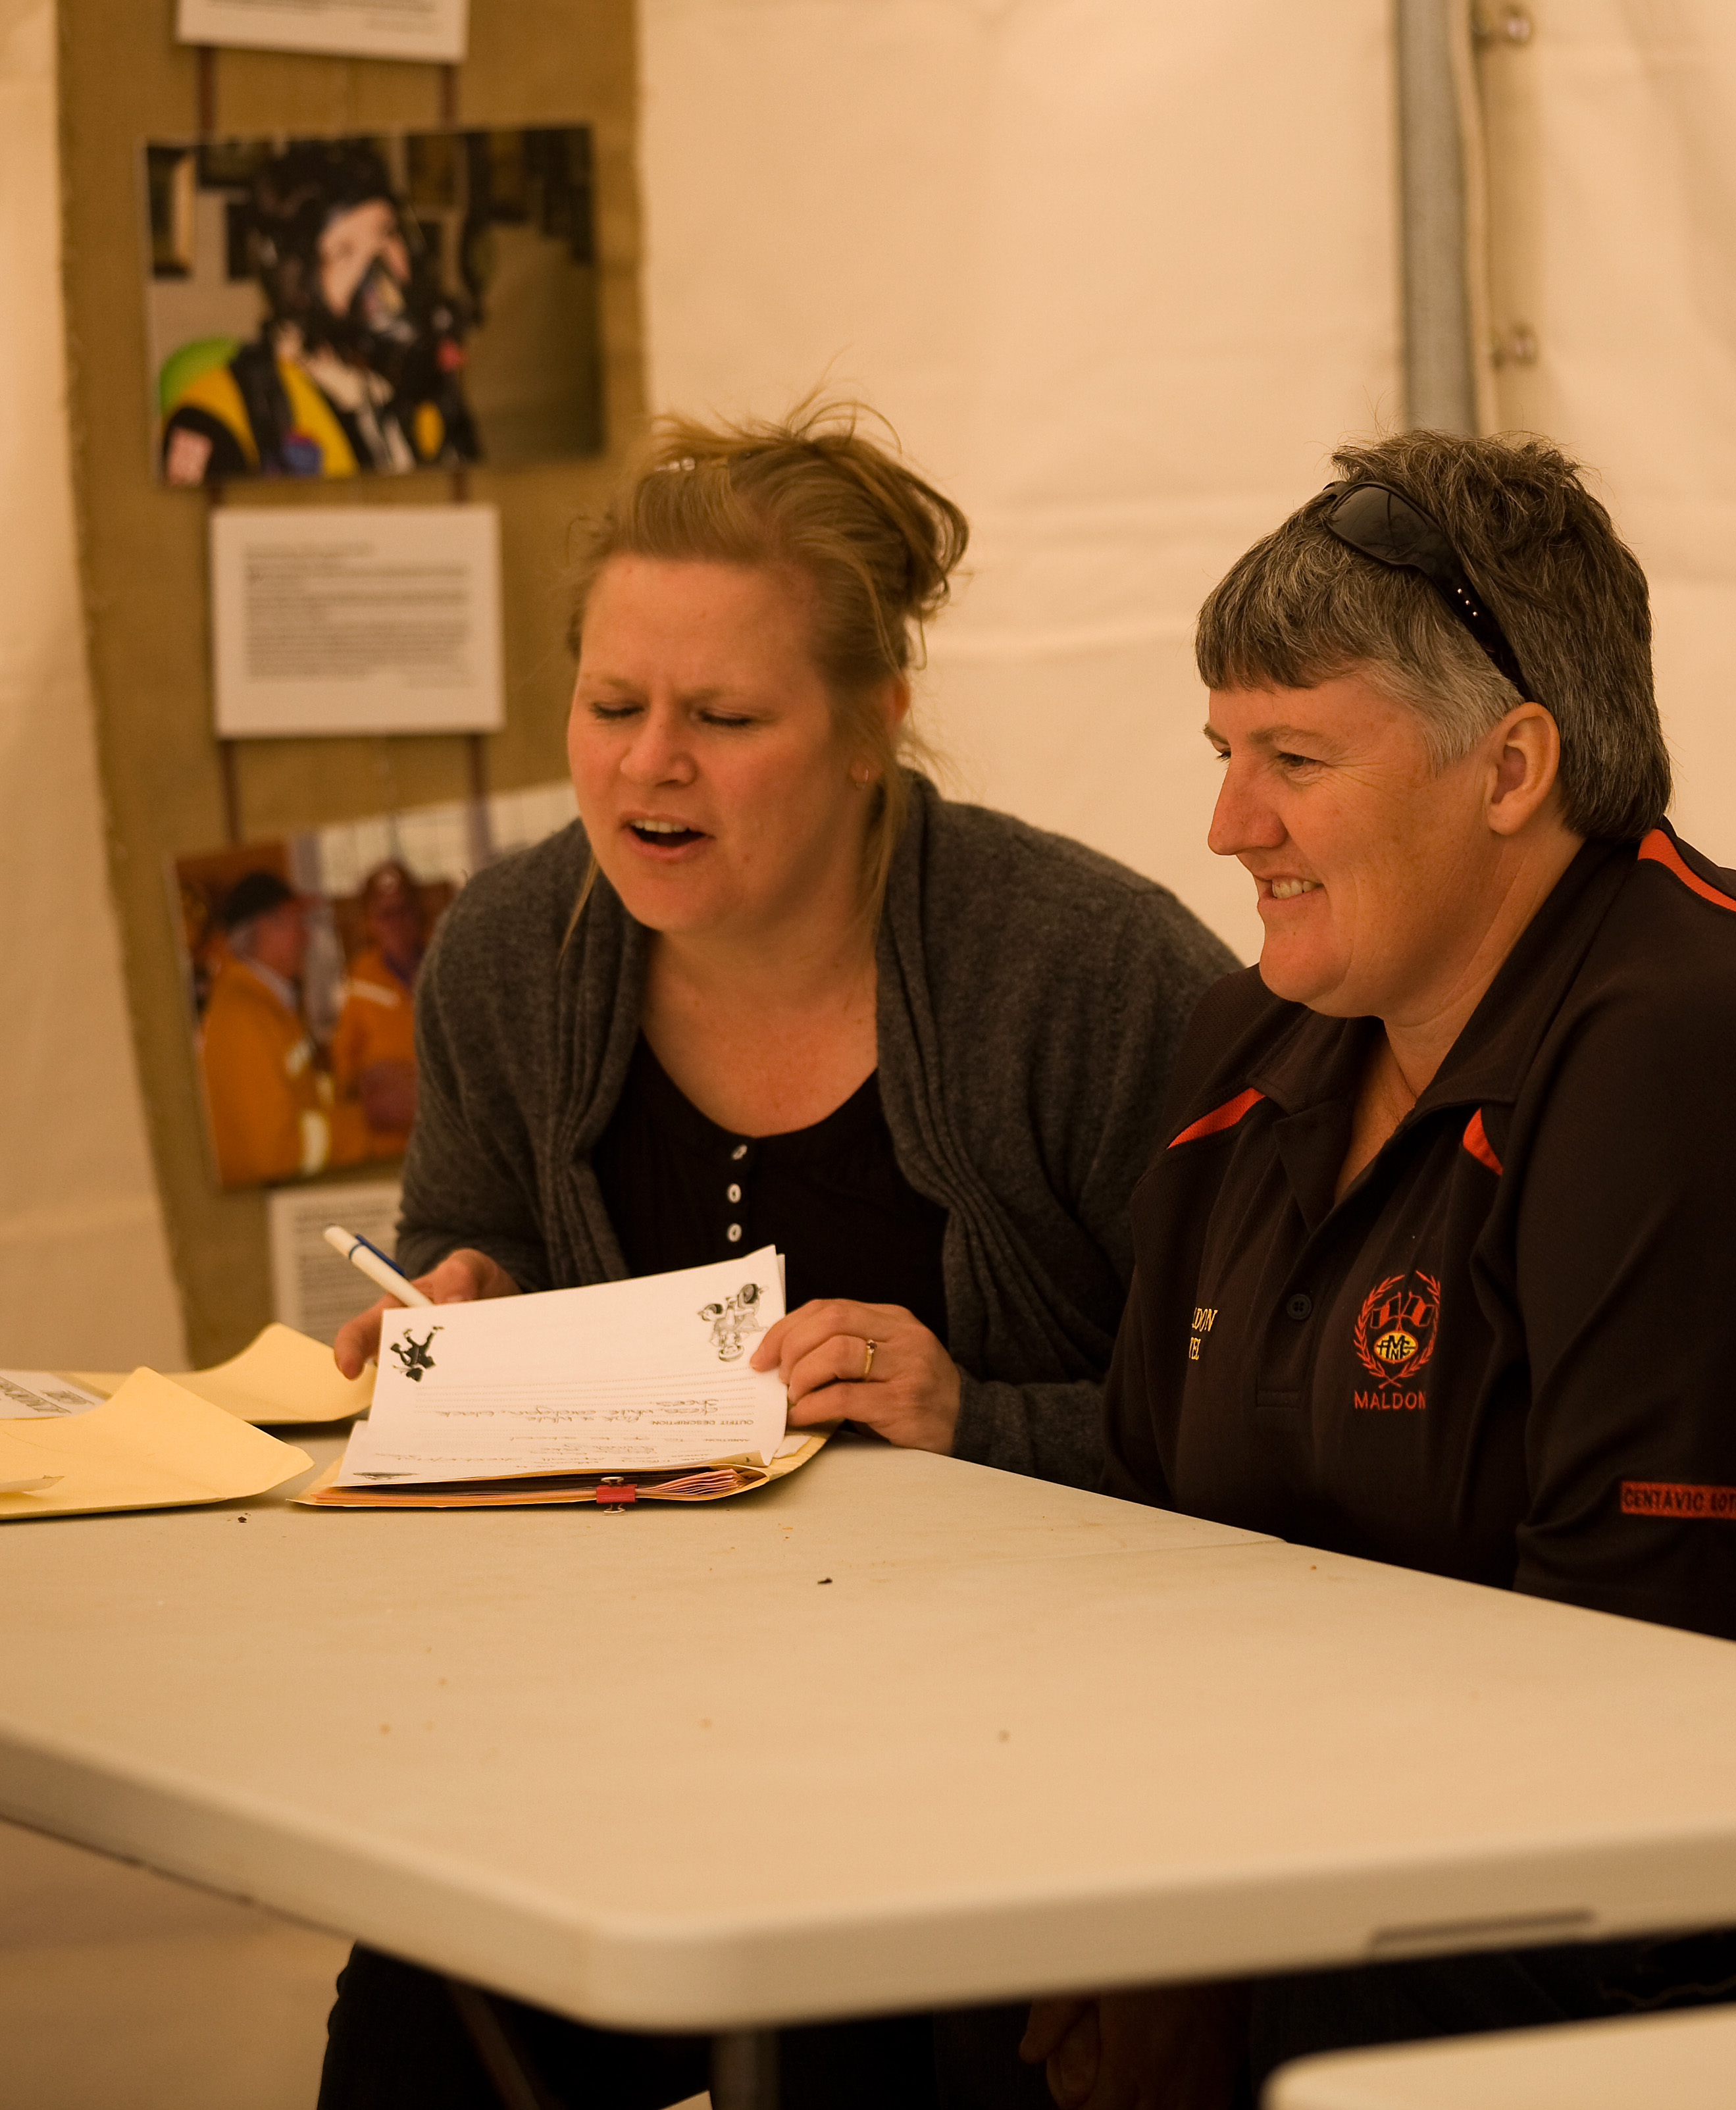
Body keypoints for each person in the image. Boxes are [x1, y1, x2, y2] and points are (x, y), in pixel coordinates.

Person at [1041, 430, 1736, 2105]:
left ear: (1512, 766)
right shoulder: (1251, 1038)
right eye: (1224, 751)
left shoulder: (1700, 1053)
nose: (1228, 825)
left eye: (1295, 757)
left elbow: (1648, 1677)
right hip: (1417, 1828)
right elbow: (1156, 1534)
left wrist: (1207, 1950)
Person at [315, 404, 1234, 2110]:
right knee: (417, 2024)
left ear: (874, 724)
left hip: (1032, 1769)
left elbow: (1266, 1425)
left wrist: (978, 1415)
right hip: (637, 1738)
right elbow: (473, 1223)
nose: (647, 764)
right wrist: (471, 1297)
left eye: (724, 717)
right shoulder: (511, 949)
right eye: (611, 706)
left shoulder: (1086, 975)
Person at [161, 138, 479, 486]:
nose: (383, 269)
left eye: (388, 234)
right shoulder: (219, 420)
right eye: (344, 252)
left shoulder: (419, 390)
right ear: (297, 284)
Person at [197, 867, 369, 1185]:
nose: (306, 936)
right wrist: (366, 1123)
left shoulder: (267, 1003)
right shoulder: (243, 1018)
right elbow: (276, 1155)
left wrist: (352, 1091)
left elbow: (303, 1097)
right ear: (266, 928)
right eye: (297, 922)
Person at [331, 859, 430, 1154]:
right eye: (385, 914)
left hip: (445, 1133)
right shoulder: (358, 979)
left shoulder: (444, 961)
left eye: (404, 910)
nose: (396, 922)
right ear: (369, 923)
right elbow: (344, 1066)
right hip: (389, 1144)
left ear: (418, 913)